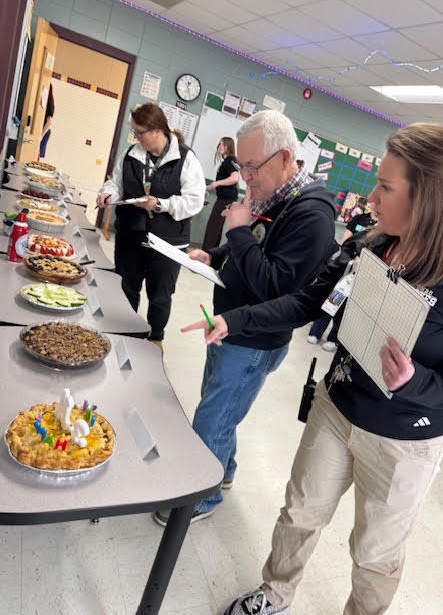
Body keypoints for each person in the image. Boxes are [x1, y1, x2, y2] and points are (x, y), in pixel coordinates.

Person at [182, 123, 443, 615]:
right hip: (337, 407)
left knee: (374, 554)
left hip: (406, 438)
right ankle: (275, 593)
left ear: (428, 196)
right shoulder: (371, 244)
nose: (371, 196)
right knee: (300, 512)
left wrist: (418, 382)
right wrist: (233, 321)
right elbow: (306, 301)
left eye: (385, 186)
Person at [153, 109, 337, 526]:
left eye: (252, 167)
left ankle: (202, 496)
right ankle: (225, 471)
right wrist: (214, 253)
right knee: (223, 407)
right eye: (242, 166)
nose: (246, 177)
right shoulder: (275, 194)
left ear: (286, 157)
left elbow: (275, 286)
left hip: (254, 338)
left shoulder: (312, 215)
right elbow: (254, 249)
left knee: (214, 414)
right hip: (232, 323)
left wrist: (235, 231)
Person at [97, 102, 205, 349]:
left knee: (160, 294)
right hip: (131, 235)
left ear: (157, 130)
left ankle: (155, 338)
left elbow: (194, 202)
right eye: (134, 131)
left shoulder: (186, 159)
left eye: (139, 132)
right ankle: (124, 333)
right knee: (126, 286)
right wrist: (107, 193)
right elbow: (117, 184)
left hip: (169, 241)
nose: (135, 137)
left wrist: (161, 205)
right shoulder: (130, 154)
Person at [307, 208, 377, 349]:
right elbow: (347, 241)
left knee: (346, 308)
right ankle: (316, 332)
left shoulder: (384, 227)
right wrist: (348, 257)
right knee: (333, 298)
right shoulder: (359, 219)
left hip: (365, 273)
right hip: (347, 268)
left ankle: (333, 339)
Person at [202, 137, 240, 249]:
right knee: (216, 227)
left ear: (228, 146)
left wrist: (217, 183)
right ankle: (212, 256)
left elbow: (235, 178)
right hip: (224, 198)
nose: (220, 147)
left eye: (222, 144)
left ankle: (206, 254)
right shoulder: (226, 162)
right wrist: (207, 187)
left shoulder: (231, 160)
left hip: (226, 200)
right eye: (219, 144)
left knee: (213, 226)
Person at [39, 84, 54, 160]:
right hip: (44, 131)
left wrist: (40, 136)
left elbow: (49, 123)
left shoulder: (49, 104)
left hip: (44, 132)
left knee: (36, 155)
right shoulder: (44, 101)